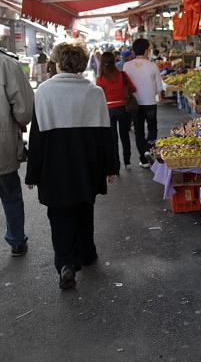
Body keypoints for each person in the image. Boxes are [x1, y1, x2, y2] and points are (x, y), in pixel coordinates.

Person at [25, 41, 117, 289]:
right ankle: (87, 253)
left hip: (54, 168)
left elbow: (38, 137)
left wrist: (32, 173)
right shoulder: (94, 91)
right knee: (85, 209)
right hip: (87, 165)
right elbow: (105, 135)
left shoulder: (44, 91)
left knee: (59, 215)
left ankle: (66, 263)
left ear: (56, 62)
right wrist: (111, 166)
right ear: (81, 63)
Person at [0, 49, 34, 257]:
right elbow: (24, 112)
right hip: (2, 144)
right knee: (10, 194)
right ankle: (17, 240)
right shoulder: (7, 64)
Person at [123, 38, 163, 168]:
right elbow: (158, 88)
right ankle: (148, 148)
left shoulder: (126, 66)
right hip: (150, 102)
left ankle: (143, 160)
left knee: (138, 130)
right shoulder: (153, 66)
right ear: (146, 50)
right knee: (152, 128)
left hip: (134, 104)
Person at [96, 52, 136, 172]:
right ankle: (127, 162)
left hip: (108, 110)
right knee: (124, 136)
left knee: (112, 139)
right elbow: (133, 88)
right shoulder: (122, 75)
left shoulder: (100, 79)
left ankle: (115, 166)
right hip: (123, 108)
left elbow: (98, 95)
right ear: (115, 61)